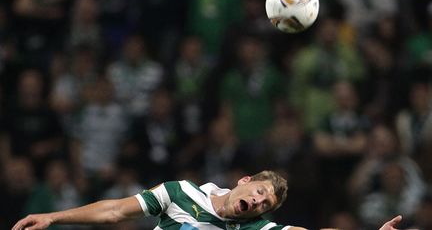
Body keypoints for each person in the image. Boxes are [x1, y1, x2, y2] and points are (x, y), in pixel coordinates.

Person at [12, 170, 403, 230]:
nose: (262, 202)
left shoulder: (253, 228)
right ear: (245, 181)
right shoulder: (180, 192)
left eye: (267, 204)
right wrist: (53, 216)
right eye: (261, 192)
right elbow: (115, 209)